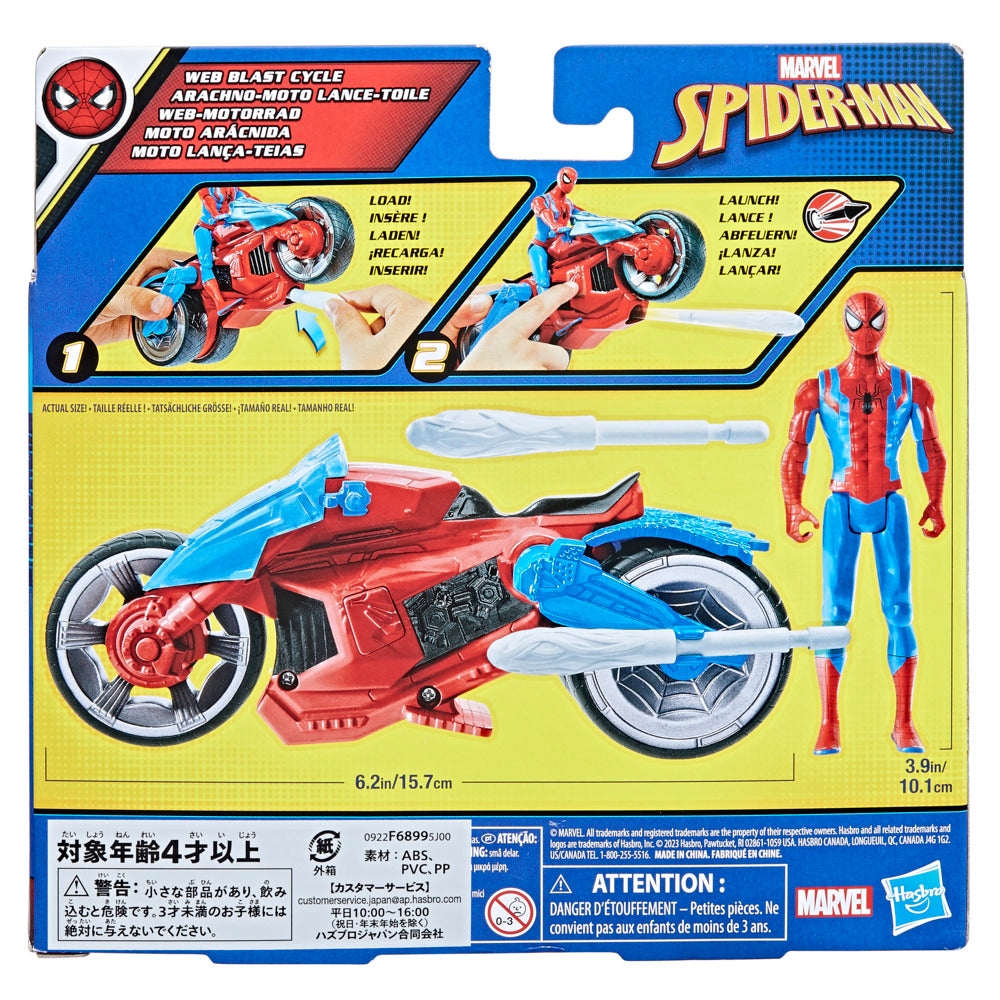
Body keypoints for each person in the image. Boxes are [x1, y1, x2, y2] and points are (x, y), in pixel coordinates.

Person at [781, 291, 946, 755]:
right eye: (858, 322)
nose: (867, 332)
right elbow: (796, 451)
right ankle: (829, 722)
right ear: (845, 324)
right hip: (841, 502)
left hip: (891, 501)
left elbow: (930, 447)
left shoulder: (912, 387)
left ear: (886, 323)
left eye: (874, 321)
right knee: (834, 613)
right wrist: (793, 505)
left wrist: (936, 501)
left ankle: (904, 723)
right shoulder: (818, 388)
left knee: (900, 610)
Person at [528, 166, 578, 290]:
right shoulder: (541, 200)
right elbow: (543, 212)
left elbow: (586, 216)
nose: (570, 185)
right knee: (543, 283)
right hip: (540, 248)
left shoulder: (569, 205)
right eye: (567, 179)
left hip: (558, 250)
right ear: (560, 178)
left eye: (574, 181)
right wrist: (554, 226)